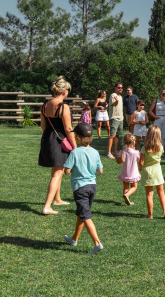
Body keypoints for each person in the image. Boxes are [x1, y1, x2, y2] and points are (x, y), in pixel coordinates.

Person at [62, 122, 104, 254]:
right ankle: (74, 239)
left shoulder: (74, 153)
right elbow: (100, 171)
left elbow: (67, 171)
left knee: (85, 216)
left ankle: (97, 243)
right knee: (81, 213)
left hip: (80, 188)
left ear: (78, 138)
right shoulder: (95, 152)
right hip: (92, 187)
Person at [38, 76, 78, 215]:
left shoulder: (45, 105)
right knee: (57, 173)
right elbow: (68, 129)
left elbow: (43, 127)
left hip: (47, 139)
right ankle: (47, 206)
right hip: (60, 141)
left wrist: (49, 140)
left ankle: (57, 199)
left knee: (57, 168)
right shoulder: (63, 106)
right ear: (64, 91)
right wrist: (75, 146)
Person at [139, 125, 165, 219]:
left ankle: (150, 215)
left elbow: (141, 161)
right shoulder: (160, 147)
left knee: (149, 194)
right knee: (161, 192)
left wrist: (139, 168)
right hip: (157, 171)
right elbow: (159, 157)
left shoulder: (144, 148)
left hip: (147, 171)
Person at [116, 133, 141, 205]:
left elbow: (118, 162)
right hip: (133, 173)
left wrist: (115, 156)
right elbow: (139, 160)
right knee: (134, 186)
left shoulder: (122, 152)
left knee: (125, 187)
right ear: (133, 142)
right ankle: (127, 195)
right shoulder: (135, 152)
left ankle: (126, 202)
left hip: (124, 173)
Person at [107, 83, 124, 159]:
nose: (120, 89)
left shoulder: (121, 97)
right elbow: (114, 104)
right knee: (112, 136)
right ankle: (108, 153)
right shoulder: (113, 95)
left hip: (121, 118)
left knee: (117, 136)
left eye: (121, 87)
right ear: (115, 88)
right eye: (119, 87)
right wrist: (116, 101)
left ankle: (115, 152)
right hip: (114, 118)